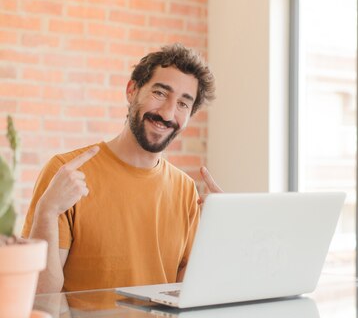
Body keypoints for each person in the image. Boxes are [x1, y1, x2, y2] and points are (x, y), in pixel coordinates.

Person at [22, 43, 222, 294]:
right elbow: (41, 296)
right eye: (160, 93)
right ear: (132, 91)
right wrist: (47, 212)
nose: (168, 113)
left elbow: (188, 293)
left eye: (183, 103)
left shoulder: (186, 190)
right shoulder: (67, 173)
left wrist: (219, 233)